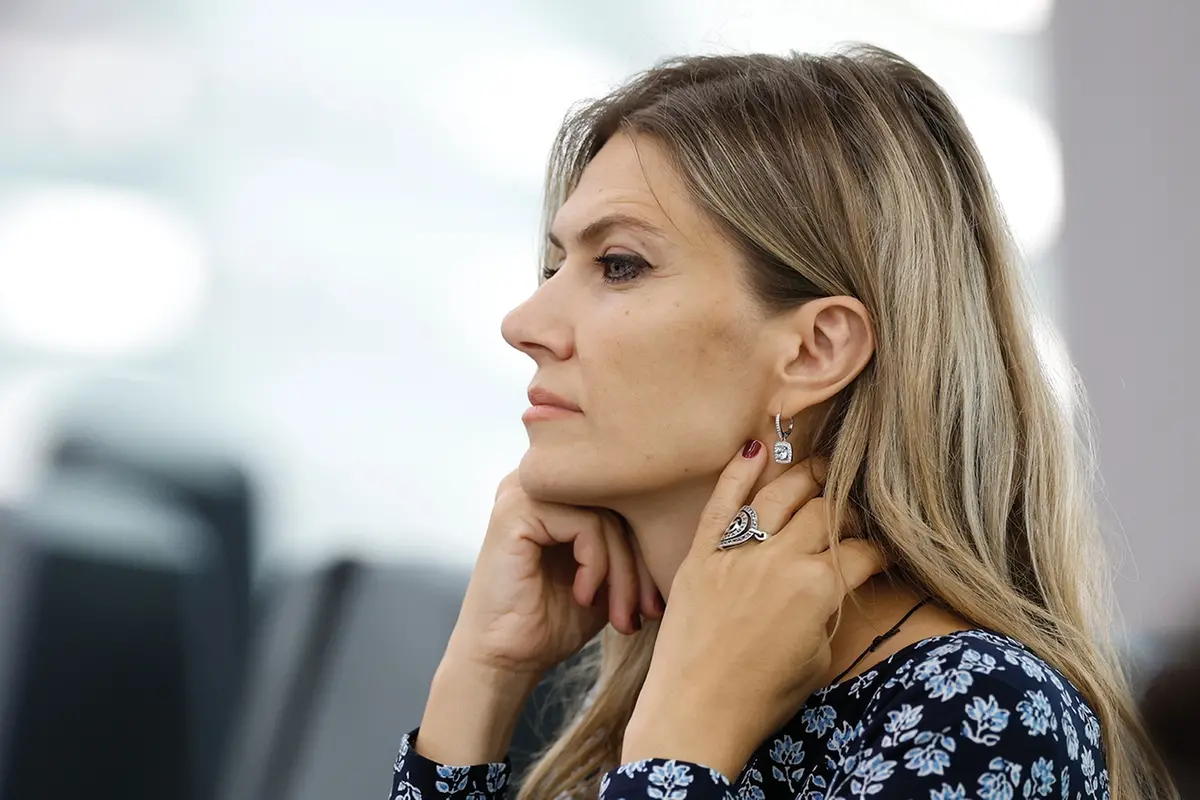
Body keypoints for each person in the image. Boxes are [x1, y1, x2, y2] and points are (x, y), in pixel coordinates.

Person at [389, 45, 1177, 799]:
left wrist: (679, 752)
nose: (524, 322)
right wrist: (480, 682)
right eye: (554, 267)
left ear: (815, 349)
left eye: (619, 264)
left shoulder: (986, 715)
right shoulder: (646, 691)